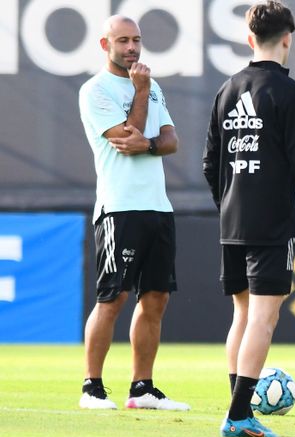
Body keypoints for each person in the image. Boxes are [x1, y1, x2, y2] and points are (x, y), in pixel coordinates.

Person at [203, 0, 295, 437]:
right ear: (288, 39)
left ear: (249, 39)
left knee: (242, 315)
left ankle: (236, 408)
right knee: (264, 317)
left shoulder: (226, 89)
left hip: (232, 222)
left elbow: (210, 163)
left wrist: (226, 204)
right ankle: (239, 415)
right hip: (271, 224)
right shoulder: (289, 93)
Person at [77, 15, 189, 411]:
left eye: (137, 40)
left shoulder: (152, 86)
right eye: (123, 40)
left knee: (155, 297)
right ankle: (92, 387)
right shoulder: (95, 90)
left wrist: (149, 143)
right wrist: (139, 94)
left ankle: (142, 388)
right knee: (113, 297)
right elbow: (128, 135)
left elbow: (171, 140)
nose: (132, 48)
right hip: (119, 207)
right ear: (105, 45)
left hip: (157, 206)